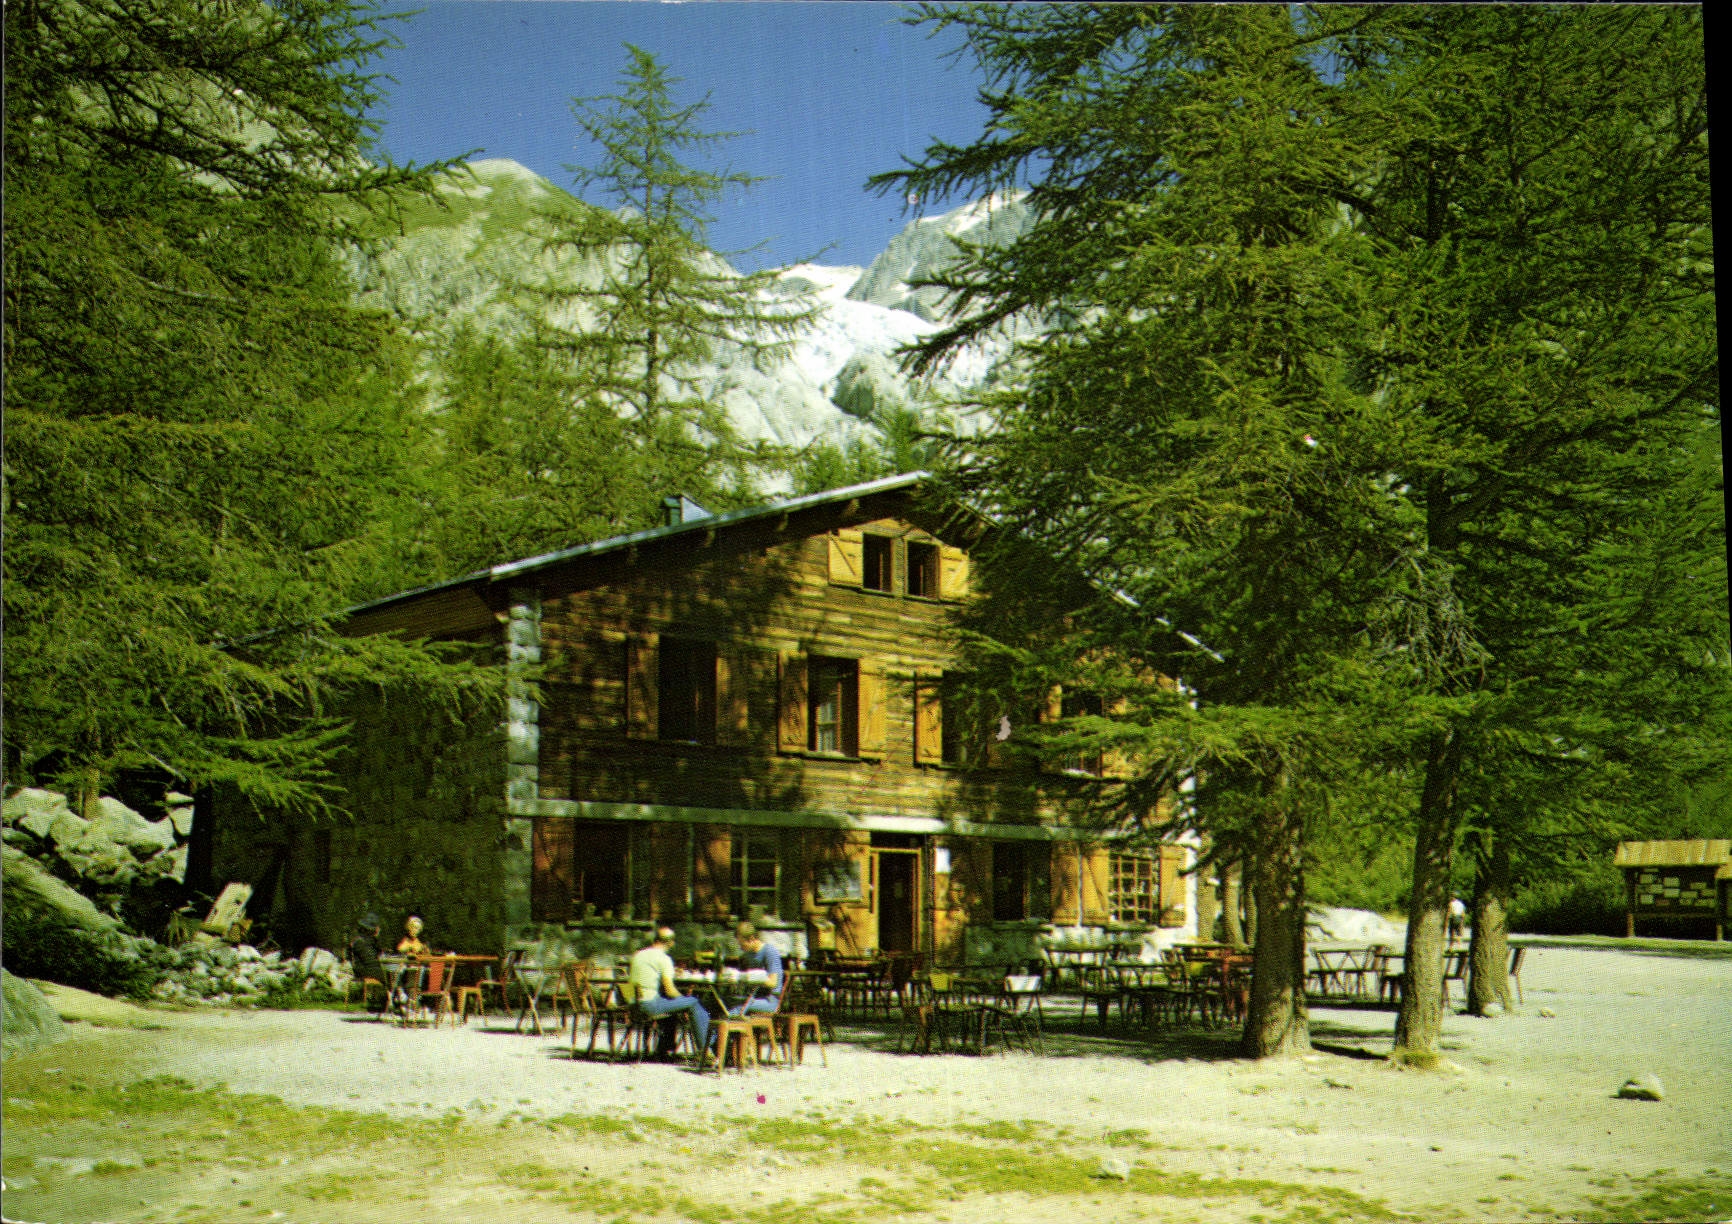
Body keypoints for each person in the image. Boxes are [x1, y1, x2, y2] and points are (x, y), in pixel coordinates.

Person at [630, 926, 711, 1059]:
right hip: (649, 1005)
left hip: (634, 1005)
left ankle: (664, 1049)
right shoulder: (664, 959)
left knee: (670, 1004)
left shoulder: (639, 954)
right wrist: (684, 1000)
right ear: (671, 943)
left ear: (655, 939)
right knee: (694, 1002)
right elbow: (670, 990)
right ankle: (706, 1051)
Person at [731, 922, 783, 1017]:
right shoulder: (747, 955)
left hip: (770, 1000)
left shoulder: (769, 952)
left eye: (742, 945)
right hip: (752, 996)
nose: (741, 948)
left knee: (738, 1006)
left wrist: (754, 978)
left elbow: (773, 983)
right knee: (726, 1001)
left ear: (751, 939)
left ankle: (720, 1031)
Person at [348, 913, 387, 1013]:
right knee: (391, 976)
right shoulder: (367, 942)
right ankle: (390, 1003)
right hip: (366, 970)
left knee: (390, 976)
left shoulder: (361, 941)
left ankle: (384, 1002)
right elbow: (374, 959)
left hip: (362, 969)